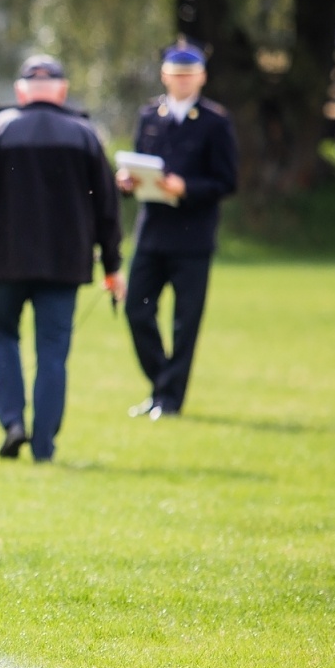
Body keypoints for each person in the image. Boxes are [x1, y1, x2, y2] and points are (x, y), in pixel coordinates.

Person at [0, 55, 122, 463]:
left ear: (21, 92)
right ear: (61, 91)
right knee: (53, 351)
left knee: (2, 336)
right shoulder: (86, 136)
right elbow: (107, 207)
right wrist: (113, 266)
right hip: (65, 263)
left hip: (4, 261)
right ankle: (44, 445)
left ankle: (12, 421)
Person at [116, 41, 239, 420]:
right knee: (137, 310)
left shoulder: (216, 122)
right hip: (152, 232)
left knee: (185, 323)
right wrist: (128, 182)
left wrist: (186, 188)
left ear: (201, 77)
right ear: (164, 76)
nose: (182, 81)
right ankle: (162, 384)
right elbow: (141, 161)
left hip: (192, 236)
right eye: (176, 74)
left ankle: (169, 400)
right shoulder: (150, 116)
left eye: (190, 74)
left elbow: (226, 181)